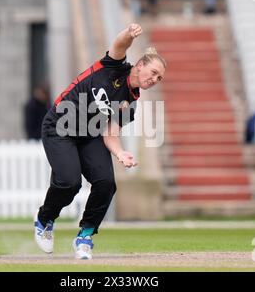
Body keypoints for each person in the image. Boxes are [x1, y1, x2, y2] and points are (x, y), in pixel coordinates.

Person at [34, 23, 166, 259]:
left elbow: (110, 133)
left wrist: (120, 153)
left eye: (160, 77)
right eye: (153, 72)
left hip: (90, 134)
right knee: (69, 183)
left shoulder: (130, 102)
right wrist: (128, 34)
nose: (156, 79)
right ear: (139, 65)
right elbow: (119, 45)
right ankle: (44, 220)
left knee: (106, 183)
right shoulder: (114, 67)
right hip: (59, 127)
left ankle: (84, 236)